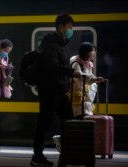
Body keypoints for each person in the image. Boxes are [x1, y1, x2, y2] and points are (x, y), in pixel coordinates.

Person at [30, 14, 80, 166]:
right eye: (69, 27)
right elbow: (51, 67)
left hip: (60, 91)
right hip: (49, 91)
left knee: (69, 120)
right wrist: (71, 72)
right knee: (44, 122)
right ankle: (37, 156)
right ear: (61, 27)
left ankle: (68, 152)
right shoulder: (51, 45)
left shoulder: (62, 44)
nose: (71, 30)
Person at [52, 42, 105, 153]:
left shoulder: (87, 63)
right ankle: (63, 141)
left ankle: (72, 144)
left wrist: (95, 79)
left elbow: (88, 77)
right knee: (79, 121)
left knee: (84, 121)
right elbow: (80, 77)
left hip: (85, 98)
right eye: (92, 51)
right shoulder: (76, 63)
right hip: (76, 98)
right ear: (86, 52)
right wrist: (94, 80)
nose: (94, 53)